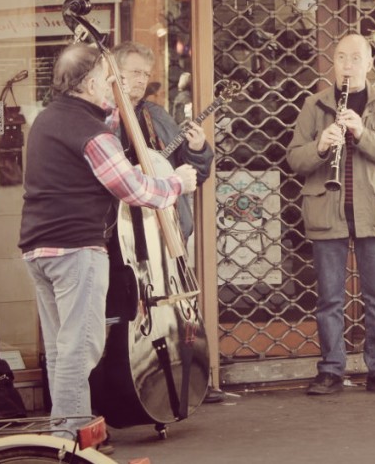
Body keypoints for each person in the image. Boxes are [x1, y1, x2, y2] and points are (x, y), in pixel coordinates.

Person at [18, 43, 198, 442]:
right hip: (76, 250)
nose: (110, 84)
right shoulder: (92, 135)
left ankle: (69, 431)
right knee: (80, 350)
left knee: (62, 348)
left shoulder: (47, 119)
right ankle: (69, 441)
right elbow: (132, 189)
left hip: (38, 250)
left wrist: (114, 109)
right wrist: (177, 184)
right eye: (105, 76)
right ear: (91, 81)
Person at [285, 32, 375, 396]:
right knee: (329, 299)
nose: (348, 65)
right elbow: (295, 158)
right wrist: (321, 145)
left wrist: (361, 133)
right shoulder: (316, 105)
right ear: (333, 63)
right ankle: (331, 370)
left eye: (356, 58)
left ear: (368, 64)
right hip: (327, 209)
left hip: (374, 211)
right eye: (341, 58)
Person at [111, 41, 227, 404]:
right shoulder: (101, 118)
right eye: (134, 72)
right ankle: (129, 383)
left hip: (167, 231)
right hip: (121, 236)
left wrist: (197, 148)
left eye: (146, 74)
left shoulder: (157, 115)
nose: (141, 80)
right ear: (114, 73)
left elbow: (192, 174)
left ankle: (187, 380)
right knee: (127, 308)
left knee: (176, 305)